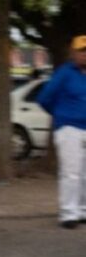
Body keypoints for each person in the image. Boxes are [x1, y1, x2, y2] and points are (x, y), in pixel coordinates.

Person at [37, 35, 86, 229]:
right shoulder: (65, 73)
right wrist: (62, 115)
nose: (85, 54)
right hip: (69, 129)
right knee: (71, 172)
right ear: (73, 53)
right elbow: (44, 98)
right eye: (81, 51)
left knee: (84, 173)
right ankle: (68, 213)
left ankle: (82, 210)